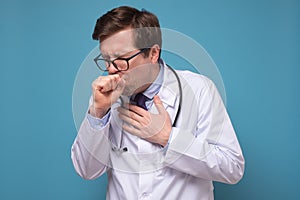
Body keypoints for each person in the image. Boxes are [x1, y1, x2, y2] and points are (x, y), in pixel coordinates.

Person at [71, 6, 244, 200]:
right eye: (106, 60)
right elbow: (86, 170)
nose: (111, 70)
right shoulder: (104, 98)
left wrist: (168, 138)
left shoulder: (198, 89)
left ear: (153, 53)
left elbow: (232, 167)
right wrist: (98, 112)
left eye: (121, 59)